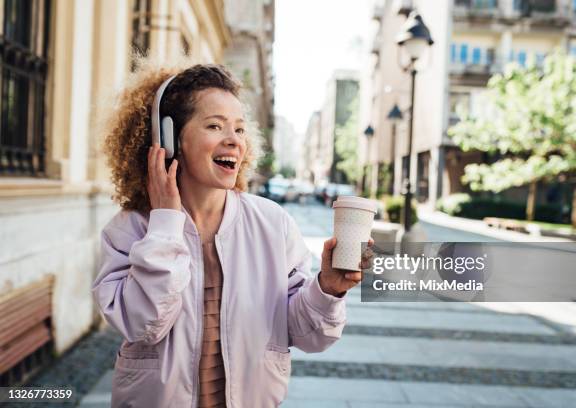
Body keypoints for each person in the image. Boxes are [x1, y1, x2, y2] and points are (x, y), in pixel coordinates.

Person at [91, 62, 373, 408]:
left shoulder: (273, 223)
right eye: (215, 126)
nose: (233, 141)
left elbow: (307, 335)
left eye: (240, 130)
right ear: (168, 139)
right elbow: (144, 325)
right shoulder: (130, 229)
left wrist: (328, 288)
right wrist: (165, 223)